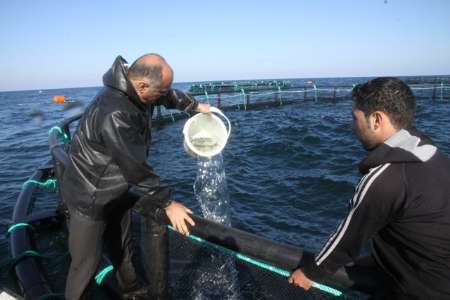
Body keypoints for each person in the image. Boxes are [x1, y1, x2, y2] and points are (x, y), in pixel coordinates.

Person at [61, 53, 210, 300]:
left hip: (116, 189)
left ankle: (131, 290)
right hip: (91, 196)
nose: (165, 94)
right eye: (161, 90)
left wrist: (195, 106)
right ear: (141, 86)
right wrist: (167, 203)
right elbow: (135, 168)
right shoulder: (115, 112)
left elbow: (167, 95)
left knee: (122, 246)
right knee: (84, 265)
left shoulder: (137, 88)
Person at [288, 77, 450, 299]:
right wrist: (380, 258)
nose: (352, 125)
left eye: (355, 118)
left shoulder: (386, 177)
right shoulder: (434, 157)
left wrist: (311, 273)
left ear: (376, 120)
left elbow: (348, 238)